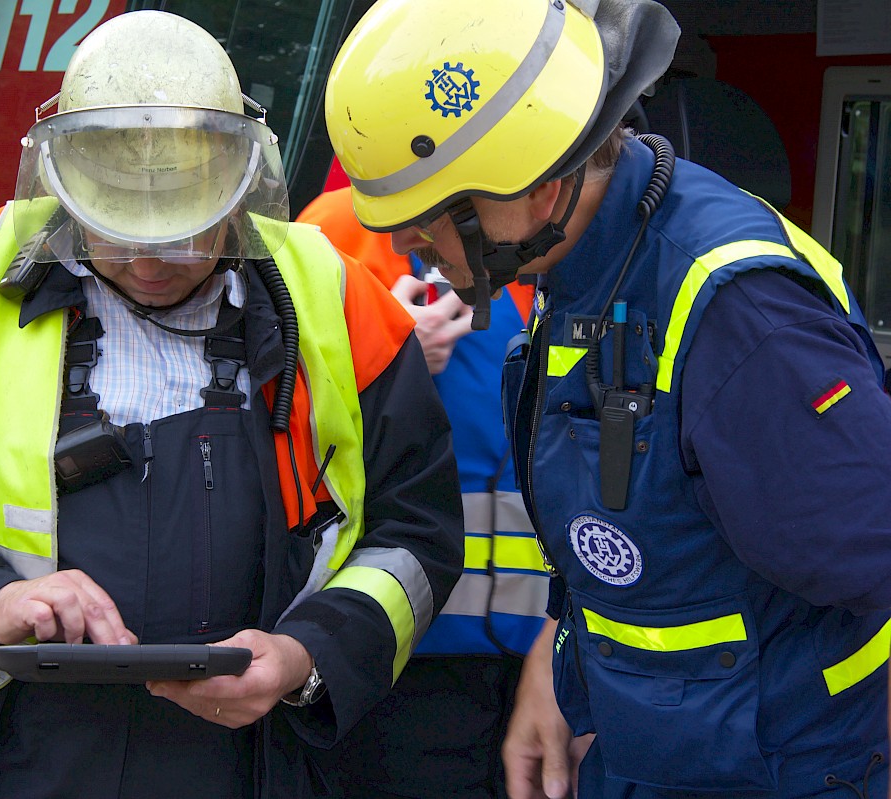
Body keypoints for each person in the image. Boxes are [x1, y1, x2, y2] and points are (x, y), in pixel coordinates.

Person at [0, 11, 464, 798]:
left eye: (183, 232)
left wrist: (309, 655)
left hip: (252, 757)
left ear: (241, 186)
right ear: (66, 185)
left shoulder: (334, 295)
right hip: (6, 751)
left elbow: (414, 532)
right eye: (118, 232)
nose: (149, 263)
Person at [322, 0, 891, 797]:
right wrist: (558, 673)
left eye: (428, 219)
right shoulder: (589, 267)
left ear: (542, 185)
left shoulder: (740, 318)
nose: (406, 244)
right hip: (650, 756)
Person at [297, 187, 549, 798]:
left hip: (551, 648)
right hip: (403, 653)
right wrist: (389, 356)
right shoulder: (335, 229)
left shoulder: (544, 232)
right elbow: (272, 428)